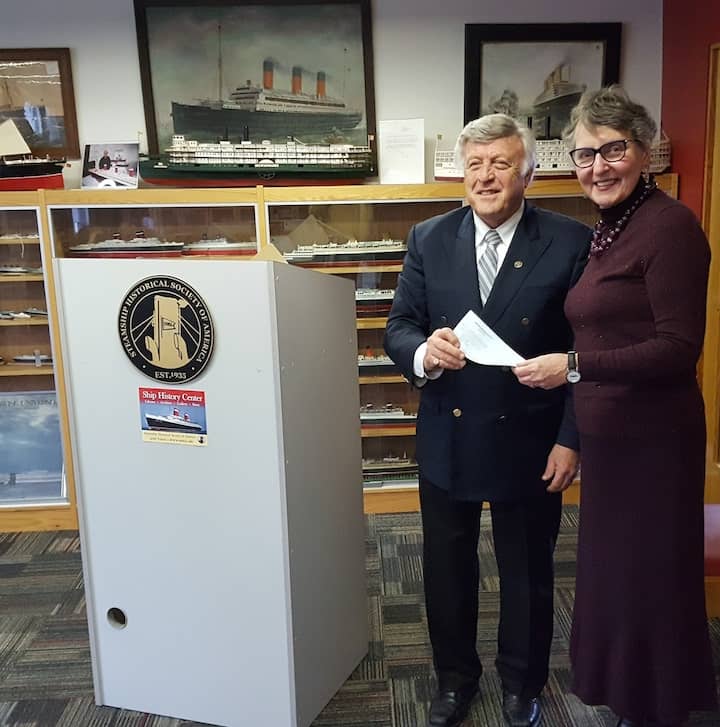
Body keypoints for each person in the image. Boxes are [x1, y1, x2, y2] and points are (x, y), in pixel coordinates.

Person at [513, 86, 718, 727]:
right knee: (619, 580)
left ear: (645, 152)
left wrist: (571, 367)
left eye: (612, 150)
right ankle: (634, 699)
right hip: (613, 439)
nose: (597, 167)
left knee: (650, 580)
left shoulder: (671, 227)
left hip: (655, 441)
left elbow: (676, 348)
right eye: (583, 155)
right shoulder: (612, 227)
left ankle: (656, 707)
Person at [383, 114, 592, 727]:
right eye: (474, 164)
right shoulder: (428, 236)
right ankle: (454, 679)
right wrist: (424, 352)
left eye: (500, 163)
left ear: (528, 170)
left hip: (532, 437)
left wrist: (570, 440)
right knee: (447, 567)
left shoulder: (569, 241)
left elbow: (585, 349)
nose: (486, 176)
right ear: (461, 172)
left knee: (528, 569)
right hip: (448, 432)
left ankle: (522, 685)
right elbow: (400, 326)